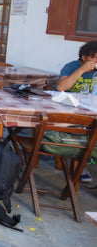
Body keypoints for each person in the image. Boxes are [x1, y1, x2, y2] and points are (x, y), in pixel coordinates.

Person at [56, 40, 97, 183]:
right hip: (68, 113)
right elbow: (61, 87)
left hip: (91, 111)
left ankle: (86, 159)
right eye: (95, 58)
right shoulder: (71, 67)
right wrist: (82, 70)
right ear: (84, 57)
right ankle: (82, 163)